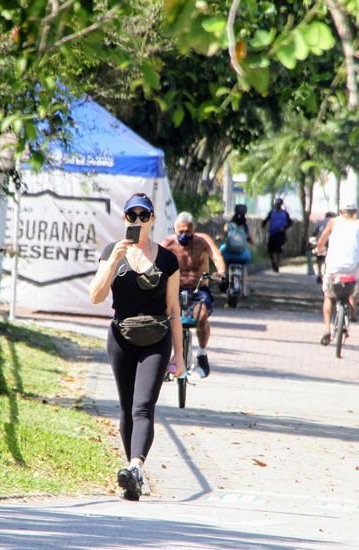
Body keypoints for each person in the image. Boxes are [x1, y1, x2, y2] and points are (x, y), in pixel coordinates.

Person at [89, 192, 184, 501]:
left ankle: (135, 467)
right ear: (125, 218)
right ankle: (133, 478)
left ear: (153, 219)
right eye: (133, 215)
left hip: (157, 338)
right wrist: (113, 262)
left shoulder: (167, 259)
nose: (138, 221)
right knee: (127, 408)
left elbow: (173, 309)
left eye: (144, 215)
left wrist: (180, 355)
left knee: (143, 406)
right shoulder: (111, 252)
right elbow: (96, 297)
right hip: (121, 336)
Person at [160, 211, 226, 378]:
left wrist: (221, 272)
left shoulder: (202, 241)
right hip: (174, 289)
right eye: (180, 231)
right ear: (175, 230)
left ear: (194, 230)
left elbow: (216, 255)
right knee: (163, 319)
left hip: (198, 289)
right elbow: (154, 260)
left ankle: (202, 353)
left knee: (201, 317)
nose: (184, 235)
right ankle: (165, 359)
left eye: (188, 231)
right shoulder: (168, 243)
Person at [316, 201, 359, 342]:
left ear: (340, 212)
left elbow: (321, 241)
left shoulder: (333, 223)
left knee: (328, 296)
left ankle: (327, 329)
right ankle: (351, 314)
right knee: (353, 292)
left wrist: (318, 250)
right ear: (355, 213)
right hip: (353, 268)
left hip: (333, 268)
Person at [219, 204, 253, 296]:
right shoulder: (246, 226)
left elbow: (224, 236)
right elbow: (252, 240)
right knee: (244, 267)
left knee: (225, 264)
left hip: (228, 254)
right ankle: (244, 289)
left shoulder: (228, 225)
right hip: (242, 255)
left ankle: (224, 280)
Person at [262, 197, 292, 272]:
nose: (277, 205)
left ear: (281, 205)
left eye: (278, 204)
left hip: (280, 234)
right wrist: (263, 226)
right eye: (276, 204)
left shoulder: (285, 213)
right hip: (272, 233)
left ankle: (277, 264)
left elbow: (290, 223)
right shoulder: (272, 212)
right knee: (270, 250)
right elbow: (265, 220)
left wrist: (284, 228)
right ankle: (273, 262)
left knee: (278, 250)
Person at [312, 211, 336, 284]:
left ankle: (320, 273)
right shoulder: (334, 222)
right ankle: (326, 273)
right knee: (328, 259)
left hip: (321, 242)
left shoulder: (320, 222)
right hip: (331, 243)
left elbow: (314, 231)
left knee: (320, 259)